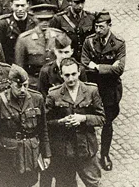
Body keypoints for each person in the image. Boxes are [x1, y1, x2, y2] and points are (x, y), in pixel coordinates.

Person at [0, 65, 50, 187]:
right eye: (18, 86)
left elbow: (43, 129)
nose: (22, 90)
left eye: (25, 85)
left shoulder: (37, 98)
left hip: (29, 154)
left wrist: (46, 154)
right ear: (10, 84)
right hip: (7, 155)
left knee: (28, 182)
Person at [44, 58, 104, 187]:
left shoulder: (91, 90)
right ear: (61, 75)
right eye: (66, 75)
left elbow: (101, 118)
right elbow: (45, 122)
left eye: (73, 74)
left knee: (94, 183)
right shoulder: (54, 94)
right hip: (64, 152)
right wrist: (61, 122)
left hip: (87, 150)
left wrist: (84, 118)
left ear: (79, 72)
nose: (71, 79)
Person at [79, 11, 125, 171]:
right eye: (96, 26)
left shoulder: (119, 44)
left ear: (109, 26)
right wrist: (107, 68)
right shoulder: (89, 41)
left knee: (107, 122)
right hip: (91, 88)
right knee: (87, 118)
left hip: (110, 90)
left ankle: (104, 154)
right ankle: (86, 152)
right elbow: (84, 61)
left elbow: (119, 69)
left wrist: (96, 66)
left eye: (101, 27)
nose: (97, 30)